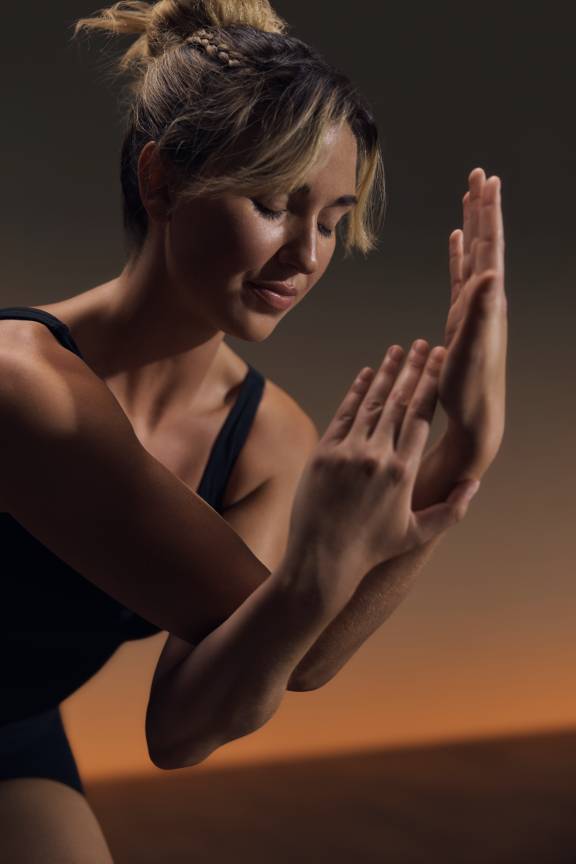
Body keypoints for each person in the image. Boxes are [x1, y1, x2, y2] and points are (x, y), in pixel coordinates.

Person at [0, 0, 507, 860]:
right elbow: (290, 627)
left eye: (334, 221)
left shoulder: (267, 439)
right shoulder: (22, 385)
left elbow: (205, 712)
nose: (307, 254)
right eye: (275, 203)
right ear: (160, 182)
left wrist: (463, 453)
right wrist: (320, 568)